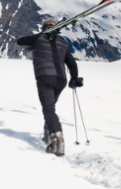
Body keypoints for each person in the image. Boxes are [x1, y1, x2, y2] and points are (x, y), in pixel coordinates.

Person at [16, 18, 82, 157]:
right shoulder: (63, 42)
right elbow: (71, 63)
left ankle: (58, 141)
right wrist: (74, 78)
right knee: (50, 108)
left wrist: (35, 39)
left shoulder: (38, 38)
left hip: (45, 78)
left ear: (43, 28)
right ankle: (48, 135)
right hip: (61, 80)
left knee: (49, 109)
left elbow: (20, 41)